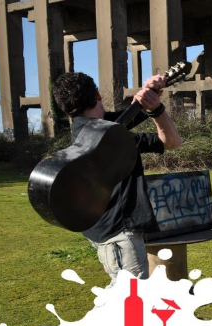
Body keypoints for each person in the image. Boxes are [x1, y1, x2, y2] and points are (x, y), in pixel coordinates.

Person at [52, 72, 181, 288]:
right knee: (131, 299)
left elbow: (125, 117)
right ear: (98, 95)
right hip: (120, 234)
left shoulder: (82, 131)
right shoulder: (115, 139)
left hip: (102, 229)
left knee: (124, 294)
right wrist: (157, 110)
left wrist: (148, 94)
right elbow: (172, 142)